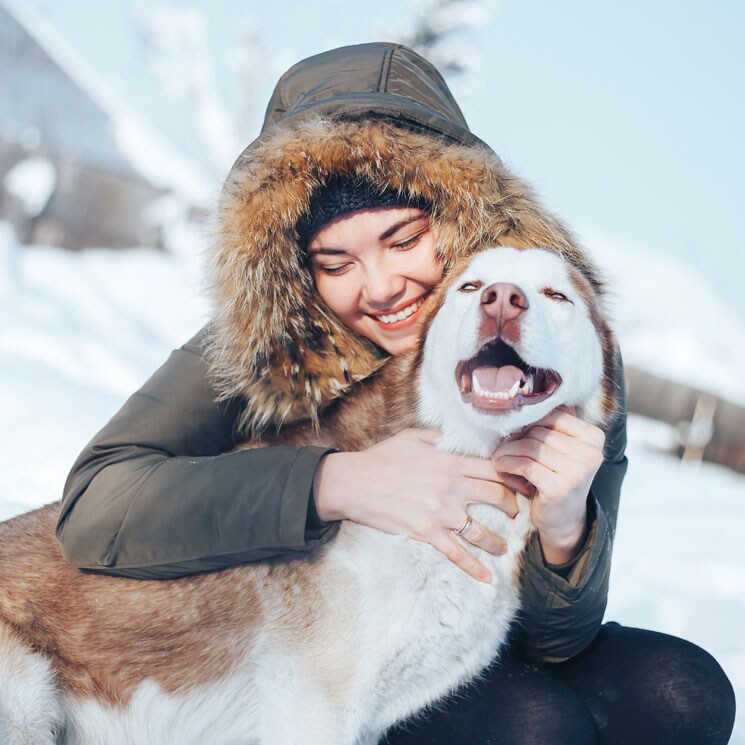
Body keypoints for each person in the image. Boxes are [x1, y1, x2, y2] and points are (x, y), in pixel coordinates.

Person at [57, 43, 735, 744]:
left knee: (681, 691)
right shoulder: (274, 335)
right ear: (294, 270)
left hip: (469, 642)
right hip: (311, 654)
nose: (380, 287)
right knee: (536, 725)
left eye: (404, 239)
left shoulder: (559, 346)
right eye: (334, 261)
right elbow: (96, 503)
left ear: (458, 216)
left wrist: (565, 528)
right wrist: (331, 481)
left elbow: (553, 639)